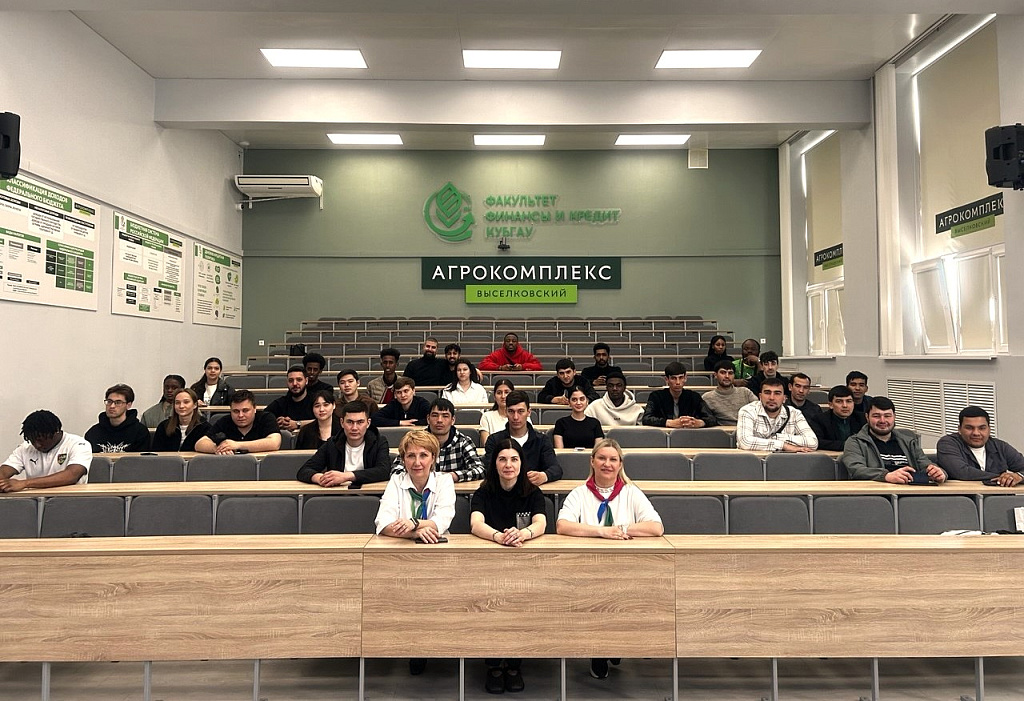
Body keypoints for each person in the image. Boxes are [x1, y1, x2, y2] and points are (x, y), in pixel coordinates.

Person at [556, 438, 663, 680]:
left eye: (613, 459)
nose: (607, 464)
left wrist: (621, 528)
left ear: (620, 464)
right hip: (588, 568)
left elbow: (656, 527)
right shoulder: (579, 493)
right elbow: (562, 525)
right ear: (592, 461)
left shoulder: (631, 492)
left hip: (626, 568)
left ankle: (617, 643)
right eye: (602, 458)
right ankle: (599, 651)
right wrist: (601, 531)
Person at [374, 429, 457, 677]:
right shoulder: (396, 482)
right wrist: (415, 533)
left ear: (433, 458)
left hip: (437, 552)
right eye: (410, 456)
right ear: (403, 459)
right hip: (401, 553)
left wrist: (413, 522)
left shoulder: (444, 481)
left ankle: (437, 643)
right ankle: (414, 647)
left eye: (423, 455)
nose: (417, 462)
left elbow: (442, 520)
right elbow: (383, 523)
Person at [470, 439, 546, 693]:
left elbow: (540, 523)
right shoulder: (484, 491)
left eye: (514, 459)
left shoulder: (532, 492)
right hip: (489, 563)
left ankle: (514, 664)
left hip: (523, 561)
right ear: (494, 463)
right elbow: (476, 524)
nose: (508, 465)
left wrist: (522, 534)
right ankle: (493, 664)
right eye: (502, 459)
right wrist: (498, 537)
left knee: (520, 608)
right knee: (489, 609)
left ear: (522, 463)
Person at [841, 396, 946, 483]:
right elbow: (857, 470)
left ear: (894, 417)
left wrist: (938, 473)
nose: (882, 420)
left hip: (911, 492)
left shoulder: (909, 441)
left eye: (887, 416)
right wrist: (886, 476)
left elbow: (925, 464)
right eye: (876, 416)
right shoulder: (855, 442)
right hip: (877, 494)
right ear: (867, 417)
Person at [296, 401, 391, 487]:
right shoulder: (332, 443)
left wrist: (346, 476)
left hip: (369, 496)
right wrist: (322, 478)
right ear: (342, 422)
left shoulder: (379, 442)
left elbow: (384, 471)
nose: (354, 428)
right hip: (337, 496)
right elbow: (304, 470)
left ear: (368, 423)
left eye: (360, 422)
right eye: (350, 422)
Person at [389, 398, 484, 483]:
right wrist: (425, 478)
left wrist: (452, 476)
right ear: (428, 419)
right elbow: (396, 471)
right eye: (435, 415)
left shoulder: (463, 441)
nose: (439, 420)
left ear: (453, 420)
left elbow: (479, 470)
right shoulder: (414, 441)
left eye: (445, 416)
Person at [483, 390, 562, 485]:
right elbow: (489, 469)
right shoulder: (494, 440)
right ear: (506, 412)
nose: (516, 417)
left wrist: (544, 476)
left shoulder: (542, 440)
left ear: (529, 412)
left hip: (532, 491)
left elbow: (556, 468)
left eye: (520, 411)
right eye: (511, 411)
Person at [1, 410, 91, 491]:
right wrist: (3, 484)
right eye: (32, 440)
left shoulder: (78, 444)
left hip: (68, 500)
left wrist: (24, 483)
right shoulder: (25, 448)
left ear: (56, 431)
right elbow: (4, 471)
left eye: (41, 440)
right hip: (34, 501)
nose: (37, 445)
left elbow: (71, 476)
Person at [936, 406, 1024, 486]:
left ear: (989, 429)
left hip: (998, 497)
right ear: (959, 429)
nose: (976, 433)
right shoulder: (947, 443)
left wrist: (1019, 476)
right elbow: (961, 472)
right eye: (969, 428)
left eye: (982, 428)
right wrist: (1004, 478)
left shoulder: (1000, 446)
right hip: (964, 497)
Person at [736, 377, 818, 452]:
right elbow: (745, 442)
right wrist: (783, 445)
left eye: (777, 393)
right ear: (760, 396)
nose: (772, 398)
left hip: (784, 462)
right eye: (767, 393)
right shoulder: (748, 411)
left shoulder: (795, 413)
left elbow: (813, 442)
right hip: (754, 461)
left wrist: (777, 437)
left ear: (784, 398)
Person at [194, 389, 282, 454]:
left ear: (255, 408)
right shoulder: (224, 421)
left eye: (245, 410)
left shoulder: (266, 418)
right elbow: (199, 444)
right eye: (236, 411)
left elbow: (274, 443)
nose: (240, 415)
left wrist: (237, 445)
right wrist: (220, 448)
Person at [641, 362, 717, 428]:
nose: (678, 382)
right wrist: (669, 423)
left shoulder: (694, 397)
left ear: (685, 378)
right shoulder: (656, 396)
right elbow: (646, 419)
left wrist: (699, 423)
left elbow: (711, 418)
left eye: (681, 378)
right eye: (673, 378)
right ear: (667, 379)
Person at [85, 383, 151, 453]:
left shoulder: (140, 432)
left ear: (128, 405)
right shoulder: (93, 433)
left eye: (118, 402)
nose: (112, 406)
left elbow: (142, 459)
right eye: (109, 402)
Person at [807, 385, 866, 451]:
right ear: (831, 405)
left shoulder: (862, 418)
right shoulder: (819, 419)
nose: (845, 405)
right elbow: (817, 442)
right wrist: (849, 445)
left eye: (849, 401)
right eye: (839, 401)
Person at [701, 361, 757, 426]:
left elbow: (759, 410)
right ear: (715, 375)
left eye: (730, 373)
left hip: (746, 428)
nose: (727, 376)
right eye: (723, 373)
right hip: (721, 431)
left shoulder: (745, 392)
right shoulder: (707, 397)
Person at [265, 365, 315, 432]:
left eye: (299, 380)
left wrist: (297, 424)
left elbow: (325, 420)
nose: (294, 384)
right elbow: (263, 418)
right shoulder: (280, 403)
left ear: (306, 381)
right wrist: (278, 422)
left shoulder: (316, 400)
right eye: (291, 380)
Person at [479, 379, 529, 445]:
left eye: (506, 392)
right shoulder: (487, 416)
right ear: (494, 396)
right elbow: (486, 444)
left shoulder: (524, 415)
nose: (503, 396)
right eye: (499, 393)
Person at [478, 332, 543, 371]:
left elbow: (538, 366)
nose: (511, 343)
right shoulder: (497, 354)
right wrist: (500, 368)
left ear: (517, 343)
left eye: (514, 341)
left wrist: (522, 367)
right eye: (508, 341)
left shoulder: (525, 355)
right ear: (504, 343)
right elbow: (482, 365)